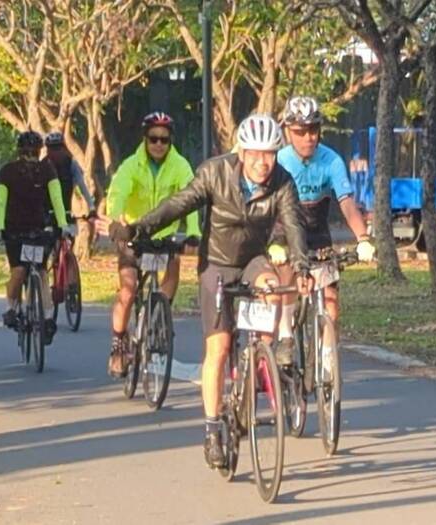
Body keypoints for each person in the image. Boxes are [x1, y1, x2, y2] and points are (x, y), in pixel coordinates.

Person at [103, 114, 311, 469]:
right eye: (256, 154)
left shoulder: (282, 181)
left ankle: (257, 361)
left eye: (270, 154)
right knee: (220, 347)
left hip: (253, 260)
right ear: (241, 152)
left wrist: (302, 265)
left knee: (274, 290)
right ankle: (213, 428)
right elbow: (179, 204)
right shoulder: (215, 172)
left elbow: (293, 224)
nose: (263, 162)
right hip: (216, 263)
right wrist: (139, 229)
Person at [270, 96, 375, 365]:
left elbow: (346, 202)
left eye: (313, 130)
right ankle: (286, 336)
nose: (308, 137)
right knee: (287, 273)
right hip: (284, 231)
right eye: (300, 131)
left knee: (331, 303)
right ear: (287, 131)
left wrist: (363, 238)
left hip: (318, 232)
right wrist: (273, 243)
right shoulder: (279, 161)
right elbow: (268, 207)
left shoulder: (331, 160)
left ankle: (327, 364)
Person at [103, 111, 201, 378]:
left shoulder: (180, 165)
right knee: (128, 290)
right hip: (133, 234)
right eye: (153, 139)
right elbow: (117, 194)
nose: (159, 144)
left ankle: (160, 313)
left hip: (165, 236)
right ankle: (118, 342)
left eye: (164, 140)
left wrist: (193, 232)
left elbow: (191, 200)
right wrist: (116, 222)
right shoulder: (131, 166)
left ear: (171, 141)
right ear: (145, 139)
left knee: (174, 266)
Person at [0, 131, 68, 344]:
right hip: (14, 229)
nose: (30, 157)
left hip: (39, 228)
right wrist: (0, 227)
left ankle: (47, 317)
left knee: (42, 272)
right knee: (18, 271)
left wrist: (62, 224)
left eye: (34, 153)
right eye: (26, 153)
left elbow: (56, 198)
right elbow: (0, 201)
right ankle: (11, 307)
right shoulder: (7, 171)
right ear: (19, 153)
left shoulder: (47, 170)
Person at [44, 131, 96, 219]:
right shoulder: (42, 165)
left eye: (58, 148)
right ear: (48, 150)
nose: (56, 152)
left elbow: (82, 185)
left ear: (64, 148)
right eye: (52, 148)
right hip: (46, 214)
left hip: (66, 212)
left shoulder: (71, 163)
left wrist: (91, 207)